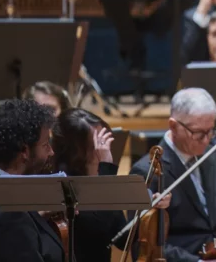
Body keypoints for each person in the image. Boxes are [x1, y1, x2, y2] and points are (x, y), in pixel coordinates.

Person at [130, 88, 216, 262]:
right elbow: (146, 246)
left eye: (211, 130)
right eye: (198, 133)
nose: (206, 140)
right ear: (173, 126)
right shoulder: (146, 172)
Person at [51, 108, 171, 262]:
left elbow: (122, 239)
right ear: (76, 150)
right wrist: (107, 170)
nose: (105, 147)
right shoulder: (64, 186)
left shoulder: (101, 180)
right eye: (98, 141)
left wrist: (150, 211)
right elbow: (98, 233)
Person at [0, 100, 63, 262]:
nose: (51, 152)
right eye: (46, 145)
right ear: (24, 150)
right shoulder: (9, 211)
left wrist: (36, 218)